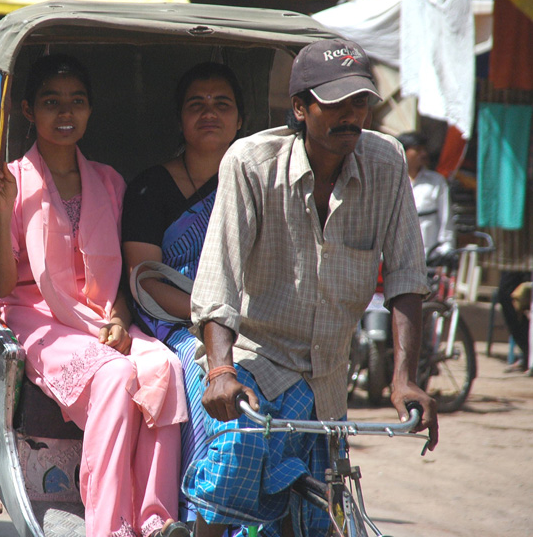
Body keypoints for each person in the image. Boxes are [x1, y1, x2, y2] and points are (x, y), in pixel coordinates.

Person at [185, 38, 439, 537]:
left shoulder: (387, 163)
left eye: (360, 102)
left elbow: (408, 278)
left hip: (326, 378)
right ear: (300, 109)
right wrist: (219, 369)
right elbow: (218, 280)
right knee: (240, 447)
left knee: (326, 519)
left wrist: (404, 377)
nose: (351, 116)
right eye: (335, 104)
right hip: (256, 361)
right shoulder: (251, 163)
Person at [0, 54, 190, 537]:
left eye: (76, 101)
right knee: (117, 375)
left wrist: (118, 315)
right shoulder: (10, 179)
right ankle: (110, 524)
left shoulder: (109, 181)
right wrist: (3, 207)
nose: (65, 112)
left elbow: (117, 274)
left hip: (98, 316)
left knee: (166, 369)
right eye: (52, 102)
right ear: (30, 110)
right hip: (34, 317)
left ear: (91, 110)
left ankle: (156, 518)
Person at [122, 62, 243, 522]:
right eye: (197, 104)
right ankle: (202, 515)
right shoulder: (151, 188)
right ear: (179, 119)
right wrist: (214, 317)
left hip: (254, 322)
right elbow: (145, 280)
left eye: (221, 104)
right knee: (204, 379)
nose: (209, 113)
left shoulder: (259, 185)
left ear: (240, 119)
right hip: (177, 322)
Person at [397, 131, 455, 260]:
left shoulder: (436, 181)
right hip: (397, 256)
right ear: (403, 152)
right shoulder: (392, 180)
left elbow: (446, 217)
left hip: (428, 256)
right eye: (417, 150)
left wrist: (446, 249)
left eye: (424, 150)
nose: (423, 154)